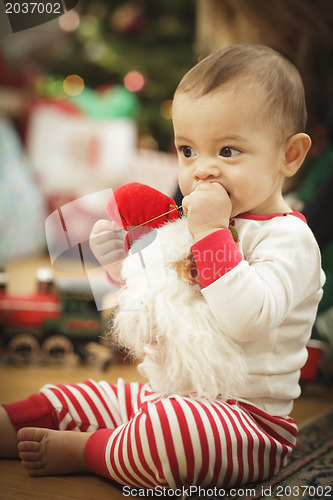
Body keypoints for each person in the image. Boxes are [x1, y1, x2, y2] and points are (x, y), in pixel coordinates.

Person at [0, 44, 325, 490]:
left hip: (246, 426)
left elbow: (246, 319)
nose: (203, 170)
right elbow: (161, 301)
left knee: (174, 433)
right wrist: (120, 262)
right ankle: (10, 425)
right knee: (86, 394)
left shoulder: (290, 240)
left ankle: (90, 451)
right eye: (188, 151)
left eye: (228, 151)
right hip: (167, 395)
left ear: (289, 156)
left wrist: (210, 233)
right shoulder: (194, 223)